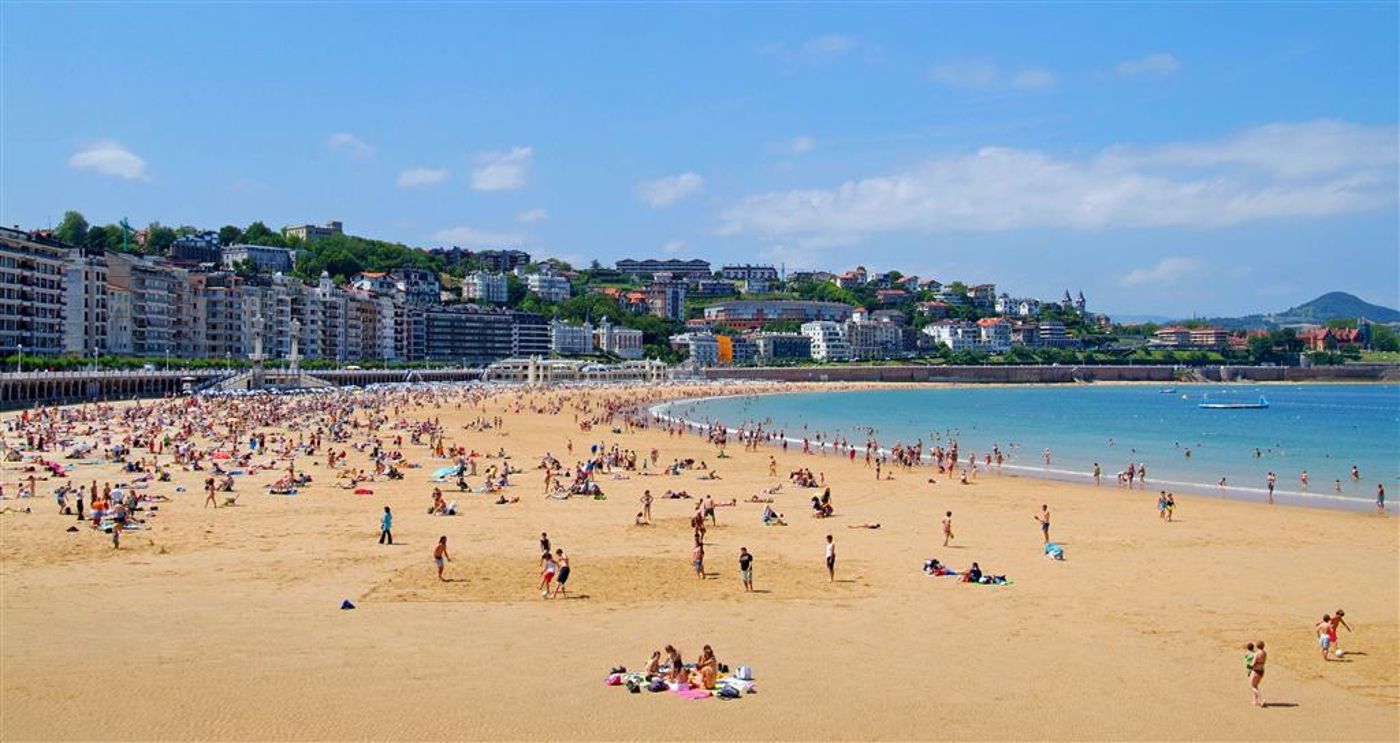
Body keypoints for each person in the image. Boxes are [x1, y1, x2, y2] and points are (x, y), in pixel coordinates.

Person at [1249, 640, 1267, 706]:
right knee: (1255, 685)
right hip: (1261, 671)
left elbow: (1252, 663)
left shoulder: (1257, 654)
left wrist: (1249, 664)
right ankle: (1255, 701)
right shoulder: (1264, 653)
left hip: (1256, 671)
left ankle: (1261, 700)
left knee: (1251, 686)